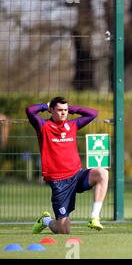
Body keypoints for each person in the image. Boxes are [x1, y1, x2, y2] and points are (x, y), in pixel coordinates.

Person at [26, 97, 109, 234]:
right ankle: (46, 220)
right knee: (63, 230)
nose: (63, 113)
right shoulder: (43, 126)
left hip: (77, 175)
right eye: (59, 110)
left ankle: (94, 217)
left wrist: (71, 109)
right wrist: (44, 106)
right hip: (59, 182)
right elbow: (30, 111)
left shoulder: (72, 125)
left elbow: (93, 113)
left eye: (65, 110)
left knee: (102, 173)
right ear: (51, 110)